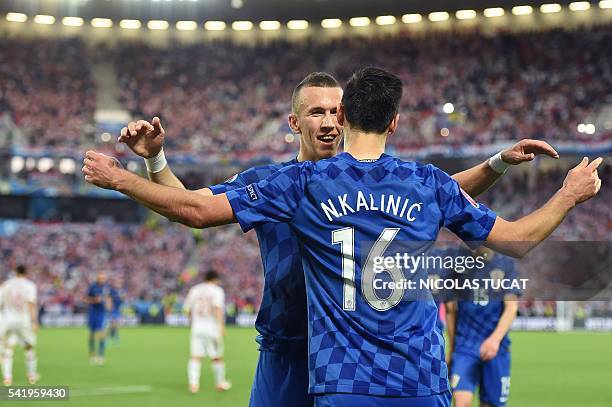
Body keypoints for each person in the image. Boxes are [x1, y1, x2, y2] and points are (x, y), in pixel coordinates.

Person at [83, 66, 602, 405]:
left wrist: (494, 164)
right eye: (317, 112)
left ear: (348, 117)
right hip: (291, 350)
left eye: (336, 111)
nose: (329, 120)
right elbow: (190, 205)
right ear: (295, 122)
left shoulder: (322, 184)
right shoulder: (276, 182)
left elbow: (437, 196)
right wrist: (155, 161)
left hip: (342, 363)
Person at [445, 247, 519, 407]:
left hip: (496, 349)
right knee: (460, 403)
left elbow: (511, 307)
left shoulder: (506, 265)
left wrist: (494, 340)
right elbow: (450, 309)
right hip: (465, 348)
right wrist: (452, 349)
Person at [183, 270, 231, 393]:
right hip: (212, 327)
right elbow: (218, 309)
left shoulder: (195, 289)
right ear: (215, 279)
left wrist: (191, 321)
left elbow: (187, 308)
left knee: (195, 357)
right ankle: (220, 383)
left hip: (197, 327)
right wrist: (221, 326)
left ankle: (193, 385)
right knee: (217, 357)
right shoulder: (217, 290)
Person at [0, 265, 39, 385]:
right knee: (29, 347)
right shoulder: (29, 285)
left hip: (7, 319)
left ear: (15, 272)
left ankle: (7, 378)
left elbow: (0, 303)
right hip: (23, 320)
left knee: (8, 347)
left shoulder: (6, 284)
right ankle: (31, 375)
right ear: (26, 272)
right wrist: (34, 321)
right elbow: (31, 303)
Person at [87, 272, 110, 365]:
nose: (103, 280)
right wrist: (94, 300)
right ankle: (92, 354)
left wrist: (109, 305)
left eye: (104, 278)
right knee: (92, 334)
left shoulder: (107, 288)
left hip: (101, 313)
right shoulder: (92, 287)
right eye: (101, 278)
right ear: (98, 278)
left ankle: (101, 355)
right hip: (93, 313)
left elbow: (108, 298)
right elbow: (86, 299)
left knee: (102, 334)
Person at [108, 278, 123, 345]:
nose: (118, 284)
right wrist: (110, 307)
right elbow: (109, 299)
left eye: (119, 283)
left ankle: (113, 337)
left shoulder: (121, 291)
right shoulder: (112, 291)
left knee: (116, 325)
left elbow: (122, 300)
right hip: (113, 309)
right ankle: (113, 338)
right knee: (113, 324)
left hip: (118, 310)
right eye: (117, 283)